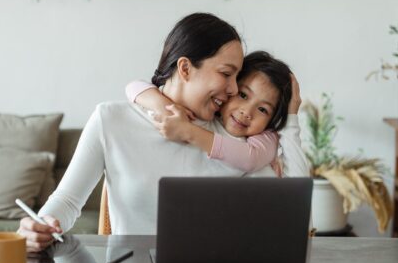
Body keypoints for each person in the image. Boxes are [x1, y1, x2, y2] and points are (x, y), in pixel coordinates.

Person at [18, 13, 308, 252]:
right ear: (185, 68)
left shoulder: (238, 139)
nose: (233, 90)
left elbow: (293, 213)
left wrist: (292, 119)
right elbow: (68, 201)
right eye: (225, 73)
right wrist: (41, 224)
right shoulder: (112, 120)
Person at [126, 51, 300, 174]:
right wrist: (165, 108)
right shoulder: (205, 115)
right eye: (243, 94)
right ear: (230, 89)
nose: (247, 112)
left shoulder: (267, 138)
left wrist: (188, 131)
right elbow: (134, 86)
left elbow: (250, 158)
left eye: (263, 109)